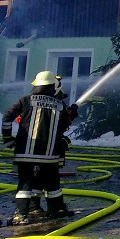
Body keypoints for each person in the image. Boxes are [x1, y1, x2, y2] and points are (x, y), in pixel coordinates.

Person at [2, 71, 77, 225]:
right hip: (50, 156)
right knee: (52, 184)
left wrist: (8, 138)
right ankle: (56, 210)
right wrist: (72, 113)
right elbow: (64, 126)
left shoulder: (26, 100)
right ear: (52, 86)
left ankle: (21, 216)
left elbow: (7, 117)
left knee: (25, 184)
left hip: (25, 154)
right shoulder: (60, 105)